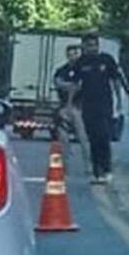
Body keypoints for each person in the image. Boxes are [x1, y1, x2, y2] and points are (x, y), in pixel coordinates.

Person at [64, 34, 125, 184]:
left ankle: (107, 168)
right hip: (88, 105)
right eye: (89, 45)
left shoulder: (107, 60)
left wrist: (119, 101)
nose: (92, 48)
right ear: (83, 46)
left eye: (94, 45)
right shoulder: (81, 63)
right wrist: (69, 104)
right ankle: (97, 171)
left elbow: (115, 81)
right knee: (93, 138)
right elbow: (75, 84)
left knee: (104, 136)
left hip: (105, 104)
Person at [54, 44, 89, 174]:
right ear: (67, 55)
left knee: (83, 138)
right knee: (63, 139)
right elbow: (58, 83)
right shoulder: (61, 70)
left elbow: (81, 86)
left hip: (79, 108)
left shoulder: (84, 70)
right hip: (63, 108)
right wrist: (72, 86)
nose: (73, 57)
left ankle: (88, 166)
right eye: (71, 54)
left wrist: (69, 86)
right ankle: (64, 166)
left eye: (76, 54)